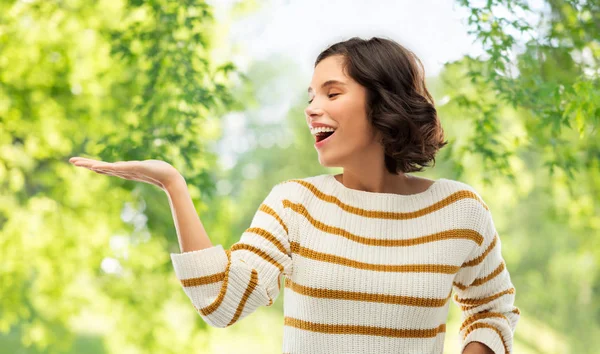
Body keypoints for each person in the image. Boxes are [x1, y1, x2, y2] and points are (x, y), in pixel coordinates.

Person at [69, 36, 519, 354]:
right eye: (310, 95)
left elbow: (492, 309)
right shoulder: (296, 204)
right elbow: (221, 302)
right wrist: (173, 184)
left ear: (384, 103)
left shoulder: (459, 211)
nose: (311, 108)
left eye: (332, 92)